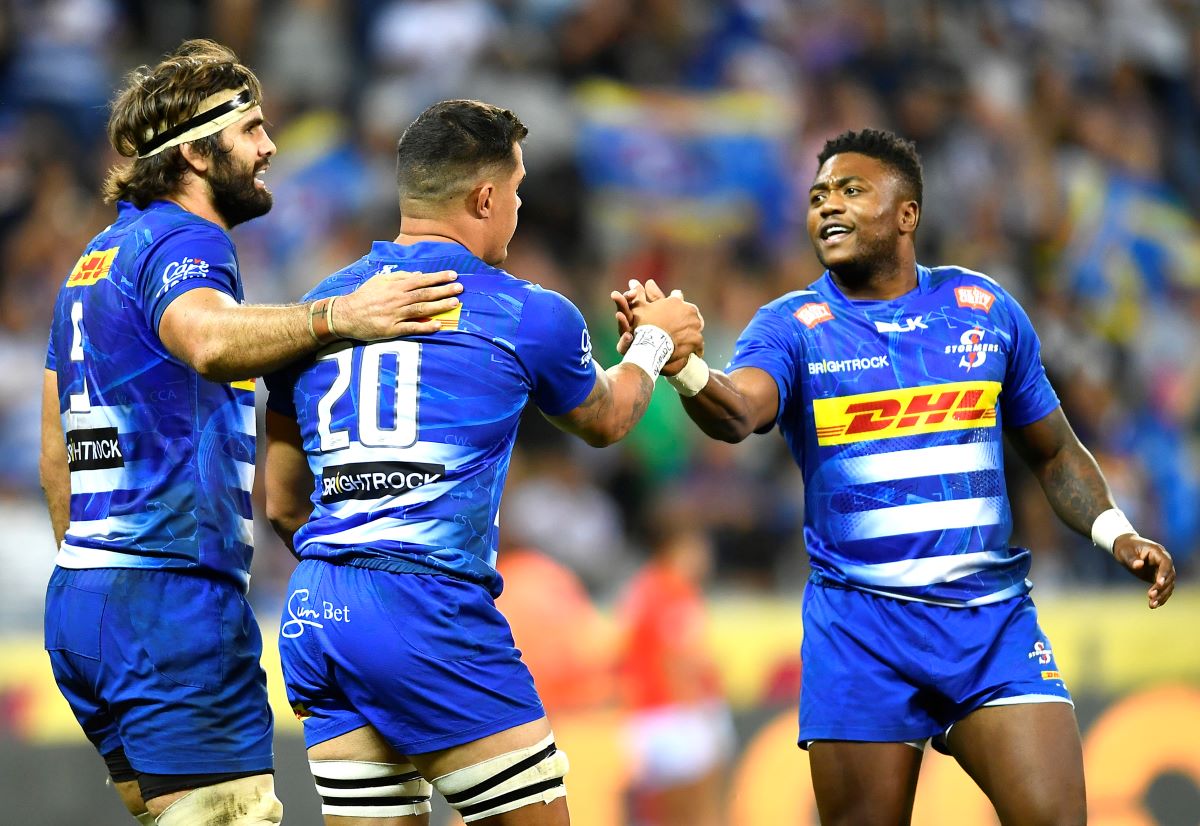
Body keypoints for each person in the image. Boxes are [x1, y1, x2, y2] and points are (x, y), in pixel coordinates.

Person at [620, 128, 1176, 825]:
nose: (828, 206)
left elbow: (1056, 452)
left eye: (851, 190)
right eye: (819, 195)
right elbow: (738, 413)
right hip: (862, 633)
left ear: (906, 214)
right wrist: (686, 368)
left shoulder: (986, 311)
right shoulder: (793, 325)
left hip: (989, 623)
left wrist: (1117, 533)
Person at [38, 40, 462, 826]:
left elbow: (54, 448)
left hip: (84, 601)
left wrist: (98, 574)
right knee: (232, 816)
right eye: (252, 129)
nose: (270, 147)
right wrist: (342, 316)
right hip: (170, 606)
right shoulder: (186, 242)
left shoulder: (92, 263)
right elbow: (206, 337)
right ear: (196, 151)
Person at [262, 98, 703, 826]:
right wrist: (653, 343)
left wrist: (356, 578)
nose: (520, 208)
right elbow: (610, 417)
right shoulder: (524, 312)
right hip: (427, 607)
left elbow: (281, 502)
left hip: (317, 612)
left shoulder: (316, 309)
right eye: (518, 190)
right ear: (485, 196)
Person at [615, 514, 733, 826]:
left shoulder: (644, 586)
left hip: (647, 714)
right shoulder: (671, 591)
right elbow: (679, 661)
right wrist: (700, 721)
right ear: (678, 547)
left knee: (661, 813)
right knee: (696, 813)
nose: (706, 554)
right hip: (675, 715)